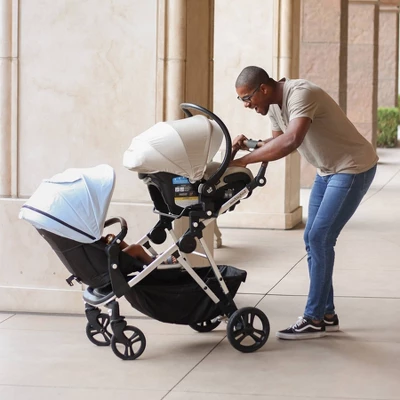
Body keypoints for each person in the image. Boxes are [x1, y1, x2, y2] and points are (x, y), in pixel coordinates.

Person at [230, 66, 378, 340]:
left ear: (263, 89)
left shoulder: (301, 93)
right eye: (242, 100)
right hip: (327, 170)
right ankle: (327, 315)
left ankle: (313, 318)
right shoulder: (272, 106)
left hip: (352, 167)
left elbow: (291, 141)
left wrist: (241, 162)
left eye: (247, 98)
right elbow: (277, 143)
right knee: (312, 238)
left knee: (320, 237)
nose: (246, 105)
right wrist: (248, 145)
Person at [103, 234, 178, 266]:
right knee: (136, 249)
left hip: (105, 258)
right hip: (109, 265)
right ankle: (158, 265)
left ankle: (151, 260)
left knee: (117, 241)